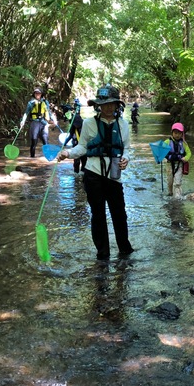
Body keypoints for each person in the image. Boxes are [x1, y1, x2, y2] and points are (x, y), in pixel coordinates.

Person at [58, 85, 134, 260]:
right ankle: (103, 254)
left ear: (117, 105)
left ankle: (125, 250)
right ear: (98, 105)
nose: (107, 107)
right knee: (98, 215)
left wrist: (126, 159)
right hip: (93, 174)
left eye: (111, 103)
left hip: (114, 176)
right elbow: (83, 147)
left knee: (119, 214)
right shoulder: (88, 123)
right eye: (103, 103)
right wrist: (67, 153)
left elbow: (127, 149)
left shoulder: (123, 124)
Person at [20, 87, 55, 157]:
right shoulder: (31, 103)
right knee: (34, 141)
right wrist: (23, 121)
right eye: (36, 93)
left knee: (46, 141)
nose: (37, 94)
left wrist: (52, 120)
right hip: (34, 123)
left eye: (39, 93)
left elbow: (48, 111)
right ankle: (32, 158)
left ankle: (48, 157)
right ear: (34, 94)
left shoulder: (45, 102)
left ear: (41, 94)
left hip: (43, 122)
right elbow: (26, 113)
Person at [164, 122, 191, 199]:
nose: (177, 135)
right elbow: (161, 150)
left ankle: (177, 197)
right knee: (170, 181)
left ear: (182, 134)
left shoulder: (184, 143)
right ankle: (170, 194)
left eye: (179, 133)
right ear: (172, 133)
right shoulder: (167, 142)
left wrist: (186, 158)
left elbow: (189, 153)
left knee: (177, 182)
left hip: (179, 165)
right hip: (169, 164)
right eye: (175, 133)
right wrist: (159, 157)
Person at [67, 109, 87, 173]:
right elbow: (70, 136)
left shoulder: (85, 127)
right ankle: (76, 174)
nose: (76, 125)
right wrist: (64, 143)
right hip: (75, 147)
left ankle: (83, 174)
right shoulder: (73, 128)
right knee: (76, 163)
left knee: (84, 162)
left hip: (84, 148)